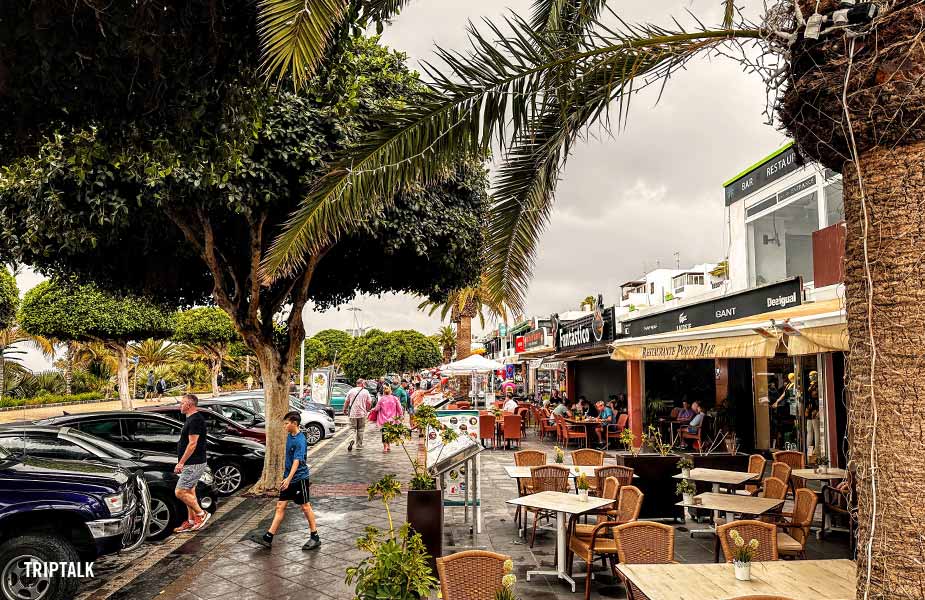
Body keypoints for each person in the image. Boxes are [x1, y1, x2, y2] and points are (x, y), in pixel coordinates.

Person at [250, 411, 321, 551]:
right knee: (280, 506)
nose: (285, 426)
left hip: (299, 478)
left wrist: (288, 479)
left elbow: (296, 461)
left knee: (305, 507)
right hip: (288, 478)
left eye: (287, 423)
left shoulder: (300, 440)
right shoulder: (290, 436)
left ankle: (315, 537)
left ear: (294, 423)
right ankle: (268, 537)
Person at [173, 394, 211, 533]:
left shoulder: (195, 420)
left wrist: (181, 463)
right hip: (192, 463)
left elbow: (192, 444)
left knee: (180, 491)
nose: (180, 406)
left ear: (189, 405)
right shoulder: (191, 419)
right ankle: (191, 521)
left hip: (193, 463)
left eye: (182, 403)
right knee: (189, 491)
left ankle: (202, 514)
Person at [343, 379, 372, 452]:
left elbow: (347, 401)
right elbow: (369, 402)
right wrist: (367, 409)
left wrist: (345, 409)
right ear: (362, 384)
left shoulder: (351, 391)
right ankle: (359, 445)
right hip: (362, 414)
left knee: (352, 428)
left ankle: (352, 439)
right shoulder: (366, 392)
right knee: (360, 430)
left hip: (353, 414)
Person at [375, 384, 403, 453]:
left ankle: (385, 447)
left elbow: (377, 409)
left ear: (384, 392)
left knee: (384, 433)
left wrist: (374, 410)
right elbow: (399, 408)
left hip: (383, 419)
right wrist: (401, 415)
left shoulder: (381, 399)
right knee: (389, 433)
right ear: (391, 391)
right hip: (392, 419)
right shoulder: (394, 398)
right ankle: (389, 446)